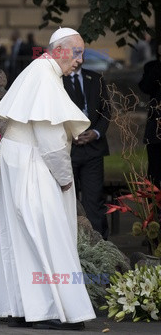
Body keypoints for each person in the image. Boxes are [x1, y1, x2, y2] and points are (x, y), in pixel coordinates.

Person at [0, 27, 96, 330]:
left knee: (21, 237)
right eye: (77, 52)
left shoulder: (39, 71)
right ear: (59, 49)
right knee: (49, 233)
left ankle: (21, 308)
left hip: (19, 158)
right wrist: (64, 179)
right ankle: (58, 311)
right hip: (33, 162)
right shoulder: (45, 76)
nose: (80, 60)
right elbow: (52, 140)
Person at [62, 65, 111, 240]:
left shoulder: (95, 78)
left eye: (81, 51)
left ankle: (100, 244)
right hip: (68, 150)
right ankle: (70, 242)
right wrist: (70, 133)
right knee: (68, 200)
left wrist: (96, 132)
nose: (78, 56)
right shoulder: (58, 79)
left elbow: (106, 111)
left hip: (94, 150)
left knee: (94, 200)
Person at [139, 44, 161, 189]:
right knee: (155, 173)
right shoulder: (153, 67)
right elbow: (145, 87)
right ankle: (155, 208)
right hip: (156, 130)